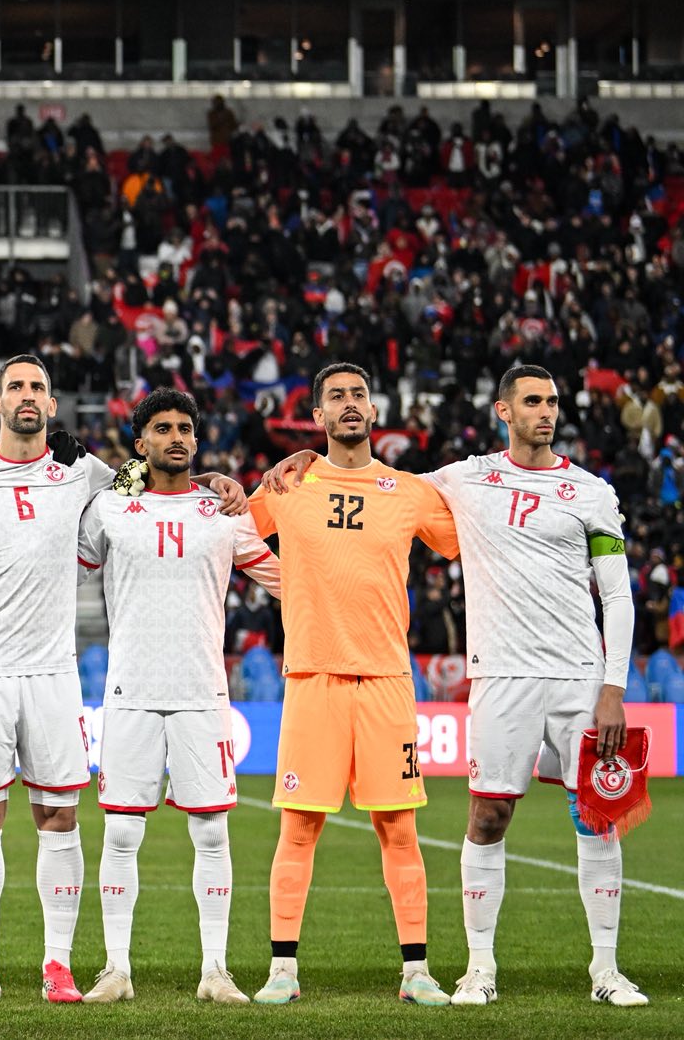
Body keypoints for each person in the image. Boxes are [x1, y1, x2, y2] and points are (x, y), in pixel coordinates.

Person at [276, 365, 644, 1006]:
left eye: (552, 402)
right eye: (533, 401)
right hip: (500, 675)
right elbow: (371, 483)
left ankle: (606, 971)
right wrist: (309, 459)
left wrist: (613, 685)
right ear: (503, 411)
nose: (546, 412)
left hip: (580, 676)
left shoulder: (592, 492)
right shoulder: (463, 478)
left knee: (597, 818)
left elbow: (616, 596)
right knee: (488, 815)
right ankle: (479, 969)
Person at [0, 356, 244, 1005]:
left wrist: (215, 479)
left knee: (59, 815)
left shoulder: (85, 472)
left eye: (37, 387)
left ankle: (57, 967)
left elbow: (163, 479)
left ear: (52, 405)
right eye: (15, 387)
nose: (26, 396)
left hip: (54, 669)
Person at [243, 363, 459, 1006]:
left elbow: (470, 539)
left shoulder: (410, 491)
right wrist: (283, 581)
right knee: (299, 829)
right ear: (317, 416)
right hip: (313, 677)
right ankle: (282, 971)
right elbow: (228, 534)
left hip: (387, 679)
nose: (350, 403)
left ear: (374, 409)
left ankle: (416, 973)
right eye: (336, 396)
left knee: (399, 829)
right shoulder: (289, 484)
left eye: (359, 394)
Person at [69, 389, 277, 1004]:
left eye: (185, 428)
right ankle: (116, 970)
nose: (177, 437)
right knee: (120, 834)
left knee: (211, 832)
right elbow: (58, 572)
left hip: (201, 693)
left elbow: (283, 579)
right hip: (130, 692)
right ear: (141, 444)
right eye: (162, 428)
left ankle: (215, 971)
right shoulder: (110, 507)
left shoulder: (224, 511)